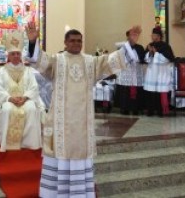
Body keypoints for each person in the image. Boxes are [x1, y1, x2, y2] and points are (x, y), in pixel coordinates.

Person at [26, 22, 128, 198]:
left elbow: (110, 62)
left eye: (79, 41)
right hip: (61, 123)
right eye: (72, 41)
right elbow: (39, 61)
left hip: (81, 124)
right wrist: (33, 41)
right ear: (65, 43)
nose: (76, 44)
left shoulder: (91, 62)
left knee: (79, 156)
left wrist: (130, 46)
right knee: (59, 154)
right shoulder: (56, 61)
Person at [0, 30, 45, 152]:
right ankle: (8, 143)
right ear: (8, 55)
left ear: (21, 55)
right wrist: (9, 98)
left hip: (25, 99)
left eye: (18, 54)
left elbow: (34, 87)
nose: (16, 56)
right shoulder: (2, 71)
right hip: (9, 100)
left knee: (31, 108)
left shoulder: (28, 71)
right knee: (7, 109)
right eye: (13, 54)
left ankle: (29, 143)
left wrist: (26, 97)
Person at [144, 27, 175, 117]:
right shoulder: (150, 45)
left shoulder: (165, 46)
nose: (152, 37)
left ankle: (160, 111)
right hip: (152, 72)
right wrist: (149, 53)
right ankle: (150, 111)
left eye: (153, 35)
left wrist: (156, 53)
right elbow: (146, 59)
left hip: (161, 73)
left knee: (159, 92)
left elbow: (167, 59)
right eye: (152, 35)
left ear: (158, 36)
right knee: (151, 92)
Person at [115, 26, 145, 115]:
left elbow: (142, 59)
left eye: (135, 36)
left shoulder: (140, 47)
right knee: (125, 91)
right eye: (131, 35)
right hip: (125, 73)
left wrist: (137, 59)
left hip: (136, 72)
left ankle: (136, 109)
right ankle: (124, 108)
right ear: (127, 37)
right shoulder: (122, 46)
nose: (133, 37)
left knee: (136, 90)